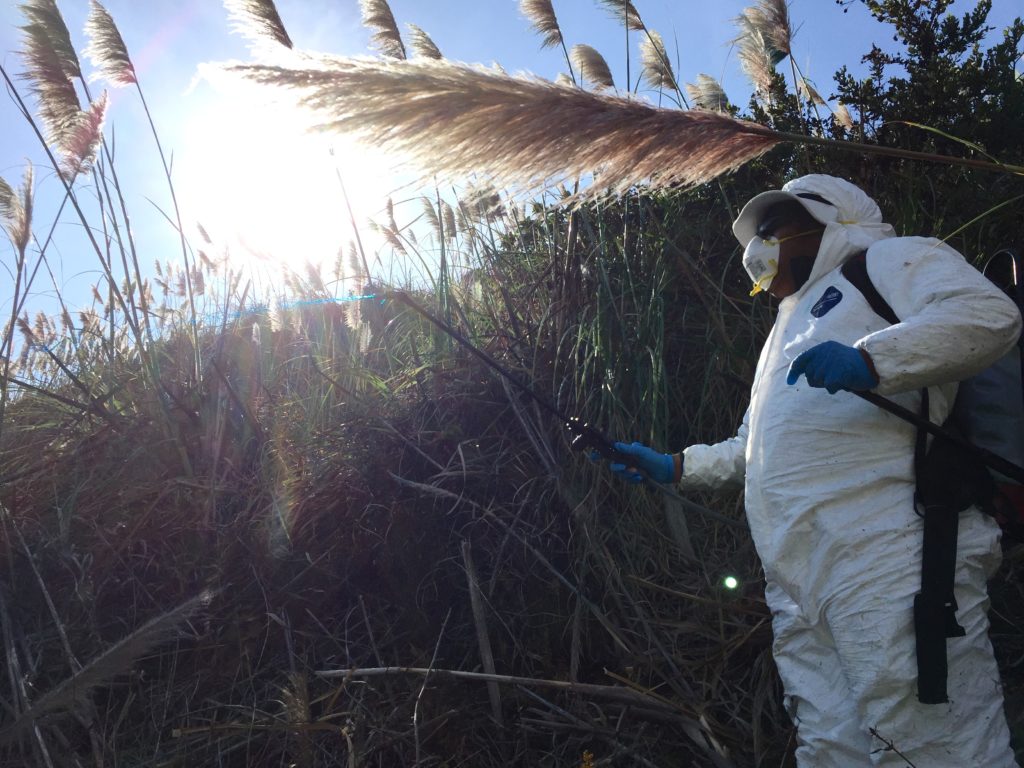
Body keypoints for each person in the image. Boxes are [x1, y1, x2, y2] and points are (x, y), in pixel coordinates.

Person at [600, 174, 1022, 766]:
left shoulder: (887, 259)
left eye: (776, 229)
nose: (761, 247)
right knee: (829, 748)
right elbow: (755, 447)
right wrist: (674, 467)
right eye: (760, 235)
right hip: (797, 580)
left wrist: (874, 359)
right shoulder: (784, 332)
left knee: (936, 744)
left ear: (833, 221)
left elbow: (988, 316)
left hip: (887, 554)